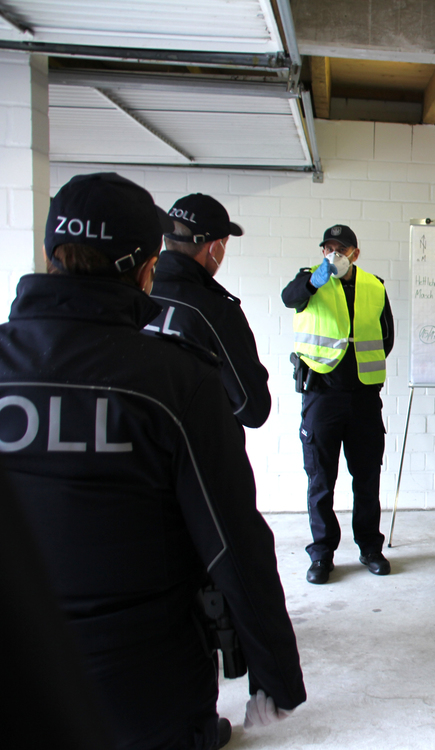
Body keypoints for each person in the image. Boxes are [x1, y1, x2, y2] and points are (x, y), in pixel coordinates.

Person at [0, 172, 306, 749]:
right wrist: (275, 672)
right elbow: (232, 539)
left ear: (46, 254)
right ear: (146, 268)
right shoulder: (177, 380)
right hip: (143, 683)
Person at [282, 224, 394, 584]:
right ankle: (322, 554)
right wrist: (313, 281)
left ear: (355, 254)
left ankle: (370, 548)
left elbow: (386, 336)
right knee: (320, 479)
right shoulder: (310, 281)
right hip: (322, 394)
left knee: (367, 477)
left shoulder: (374, 286)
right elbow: (289, 298)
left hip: (363, 396)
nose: (334, 255)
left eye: (341, 249)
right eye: (328, 248)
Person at [145, 193, 271, 428]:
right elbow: (253, 408)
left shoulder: (134, 293)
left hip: (136, 440)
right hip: (195, 444)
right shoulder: (216, 311)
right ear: (214, 247)